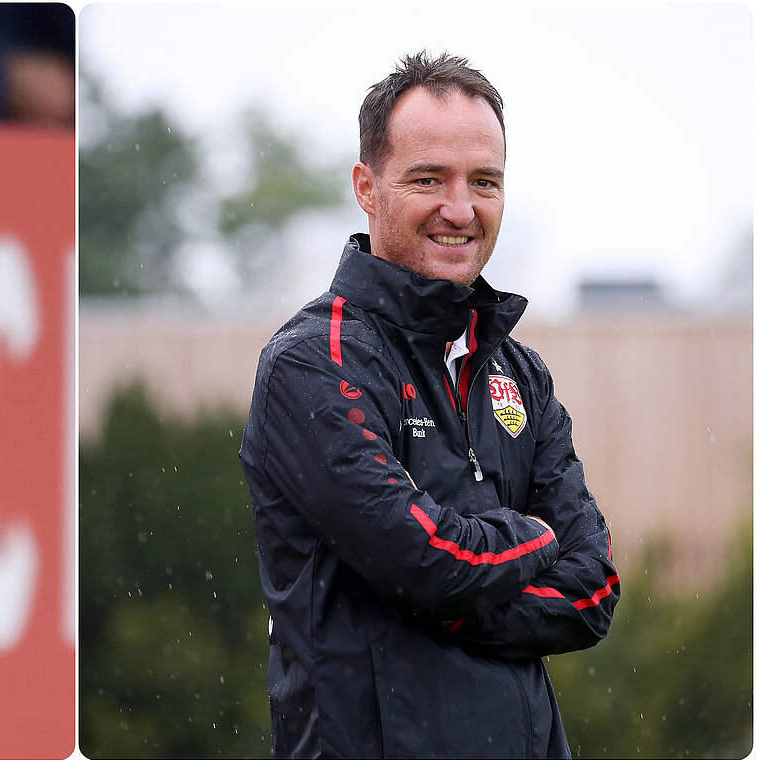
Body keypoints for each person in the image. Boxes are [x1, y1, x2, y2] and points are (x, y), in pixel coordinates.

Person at [239, 51, 619, 758]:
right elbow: (426, 560)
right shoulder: (310, 361)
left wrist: (441, 601)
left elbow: (593, 593)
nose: (460, 209)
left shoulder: (521, 372)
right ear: (366, 185)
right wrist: (534, 540)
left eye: (484, 182)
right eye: (428, 179)